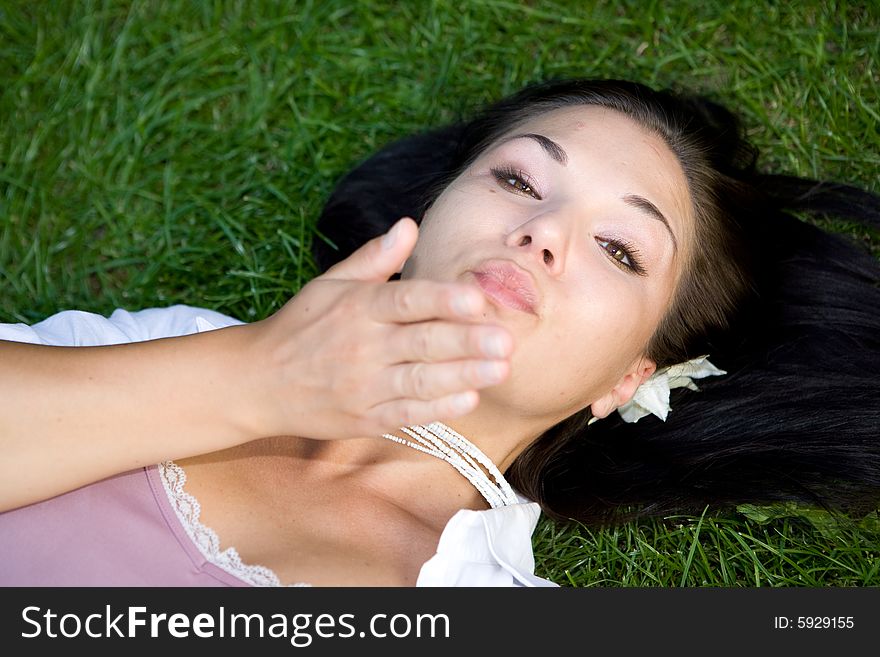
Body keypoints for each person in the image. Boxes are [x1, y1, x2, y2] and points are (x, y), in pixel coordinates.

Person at [1, 79, 878, 587]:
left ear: (629, 378)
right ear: (428, 214)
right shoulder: (173, 339)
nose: (544, 233)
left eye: (619, 247)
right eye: (519, 179)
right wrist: (247, 379)